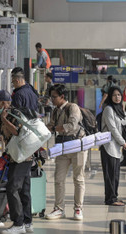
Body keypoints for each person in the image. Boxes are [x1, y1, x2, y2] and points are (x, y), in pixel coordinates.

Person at [0, 86, 36, 234]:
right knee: (23, 189)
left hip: (23, 157)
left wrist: (4, 119)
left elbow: (17, 131)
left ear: (4, 102)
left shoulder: (14, 113)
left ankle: (18, 224)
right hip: (16, 156)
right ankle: (27, 222)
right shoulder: (4, 115)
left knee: (12, 188)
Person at [45, 84, 87, 220]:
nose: (52, 99)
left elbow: (71, 126)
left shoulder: (73, 107)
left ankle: (78, 208)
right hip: (62, 147)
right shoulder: (55, 111)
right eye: (51, 96)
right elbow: (51, 125)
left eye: (54, 97)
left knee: (78, 178)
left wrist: (55, 128)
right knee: (58, 179)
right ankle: (59, 208)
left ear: (62, 97)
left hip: (77, 146)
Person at [100, 85, 126, 206]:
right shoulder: (108, 109)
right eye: (114, 95)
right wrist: (123, 142)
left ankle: (114, 196)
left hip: (116, 147)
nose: (117, 97)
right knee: (110, 174)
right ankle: (110, 199)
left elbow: (124, 123)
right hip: (108, 146)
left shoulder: (120, 109)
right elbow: (113, 129)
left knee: (115, 174)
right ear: (110, 96)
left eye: (118, 95)